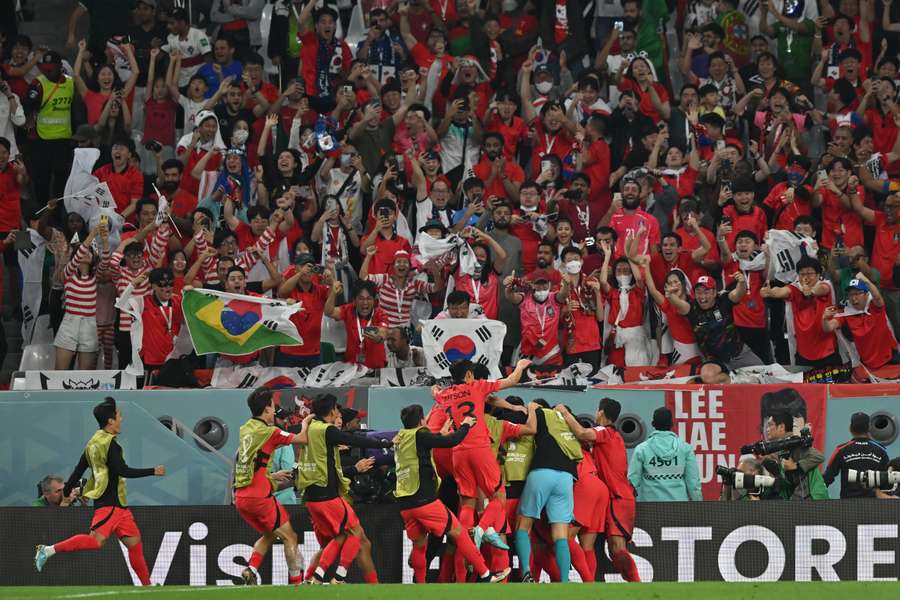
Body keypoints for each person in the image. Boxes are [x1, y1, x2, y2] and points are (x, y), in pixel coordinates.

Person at [34, 398, 165, 585]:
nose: (122, 418)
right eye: (119, 415)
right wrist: (153, 471)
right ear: (110, 421)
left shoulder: (93, 442)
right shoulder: (111, 444)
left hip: (120, 507)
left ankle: (148, 587)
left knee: (134, 544)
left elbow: (79, 469)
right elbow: (122, 471)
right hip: (109, 504)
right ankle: (47, 550)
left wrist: (67, 491)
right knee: (95, 541)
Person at [393, 403, 510, 584]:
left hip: (405, 504)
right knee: (460, 533)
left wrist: (439, 433)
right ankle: (486, 575)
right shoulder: (420, 434)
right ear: (422, 420)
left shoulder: (401, 437)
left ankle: (419, 586)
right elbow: (452, 441)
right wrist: (466, 425)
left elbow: (427, 443)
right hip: (425, 501)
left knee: (419, 545)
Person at [432, 358, 531, 558]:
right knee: (499, 495)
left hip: (458, 452)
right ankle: (481, 529)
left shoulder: (444, 395)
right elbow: (511, 380)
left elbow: (434, 392)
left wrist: (435, 388)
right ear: (469, 375)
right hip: (479, 448)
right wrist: (520, 366)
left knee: (468, 500)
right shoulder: (477, 386)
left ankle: (466, 543)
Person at [296, 393, 392, 584]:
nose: (338, 414)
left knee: (343, 539)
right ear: (331, 411)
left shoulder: (311, 429)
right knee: (354, 535)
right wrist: (385, 443)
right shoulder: (327, 430)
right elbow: (358, 441)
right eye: (337, 410)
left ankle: (309, 579)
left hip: (313, 497)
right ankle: (330, 577)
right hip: (327, 496)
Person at [557, 398, 641, 582]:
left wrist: (564, 413)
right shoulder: (611, 437)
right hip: (613, 496)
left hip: (618, 497)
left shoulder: (606, 431)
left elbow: (581, 432)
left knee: (617, 549)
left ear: (601, 412)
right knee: (609, 549)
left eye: (597, 410)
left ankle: (638, 585)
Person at [233, 388, 309, 585]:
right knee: (290, 537)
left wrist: (272, 475)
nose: (274, 411)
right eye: (273, 408)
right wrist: (306, 423)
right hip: (260, 496)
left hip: (241, 497)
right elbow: (302, 439)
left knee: (270, 532)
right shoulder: (271, 432)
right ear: (267, 409)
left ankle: (251, 569)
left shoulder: (246, 428)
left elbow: (253, 462)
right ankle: (296, 584)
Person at [513, 401, 583, 583]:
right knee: (561, 533)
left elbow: (531, 426)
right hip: (566, 477)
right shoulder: (566, 418)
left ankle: (526, 573)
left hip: (542, 471)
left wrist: (529, 408)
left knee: (523, 525)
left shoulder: (539, 413)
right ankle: (565, 581)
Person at [669, 273, 763, 368]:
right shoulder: (692, 308)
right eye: (698, 292)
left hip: (739, 354)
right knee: (708, 375)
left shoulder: (723, 300)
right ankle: (730, 379)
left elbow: (738, 293)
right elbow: (678, 304)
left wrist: (742, 282)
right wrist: (671, 294)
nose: (702, 297)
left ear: (714, 292)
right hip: (714, 361)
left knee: (764, 372)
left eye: (706, 292)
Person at [822, 275, 900, 370]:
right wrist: (824, 319)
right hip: (867, 363)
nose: (854, 298)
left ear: (866, 294)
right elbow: (828, 328)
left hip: (890, 358)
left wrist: (866, 280)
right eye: (850, 294)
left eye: (857, 293)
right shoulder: (845, 309)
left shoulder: (874, 305)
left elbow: (878, 297)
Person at [628, 407, 702, 501]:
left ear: (653, 424)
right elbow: (693, 483)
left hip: (649, 510)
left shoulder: (641, 449)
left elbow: (632, 483)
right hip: (680, 509)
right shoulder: (685, 448)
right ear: (671, 424)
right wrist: (699, 506)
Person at [758, 410, 829, 501]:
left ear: (781, 427)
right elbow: (788, 481)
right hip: (800, 499)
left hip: (813, 499)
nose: (767, 429)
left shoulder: (793, 443)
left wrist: (796, 465)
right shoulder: (781, 449)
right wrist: (768, 464)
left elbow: (819, 456)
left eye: (770, 425)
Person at [823, 412, 891, 499]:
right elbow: (888, 479)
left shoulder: (841, 450)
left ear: (850, 428)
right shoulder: (881, 450)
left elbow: (827, 478)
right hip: (874, 505)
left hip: (848, 505)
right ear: (869, 428)